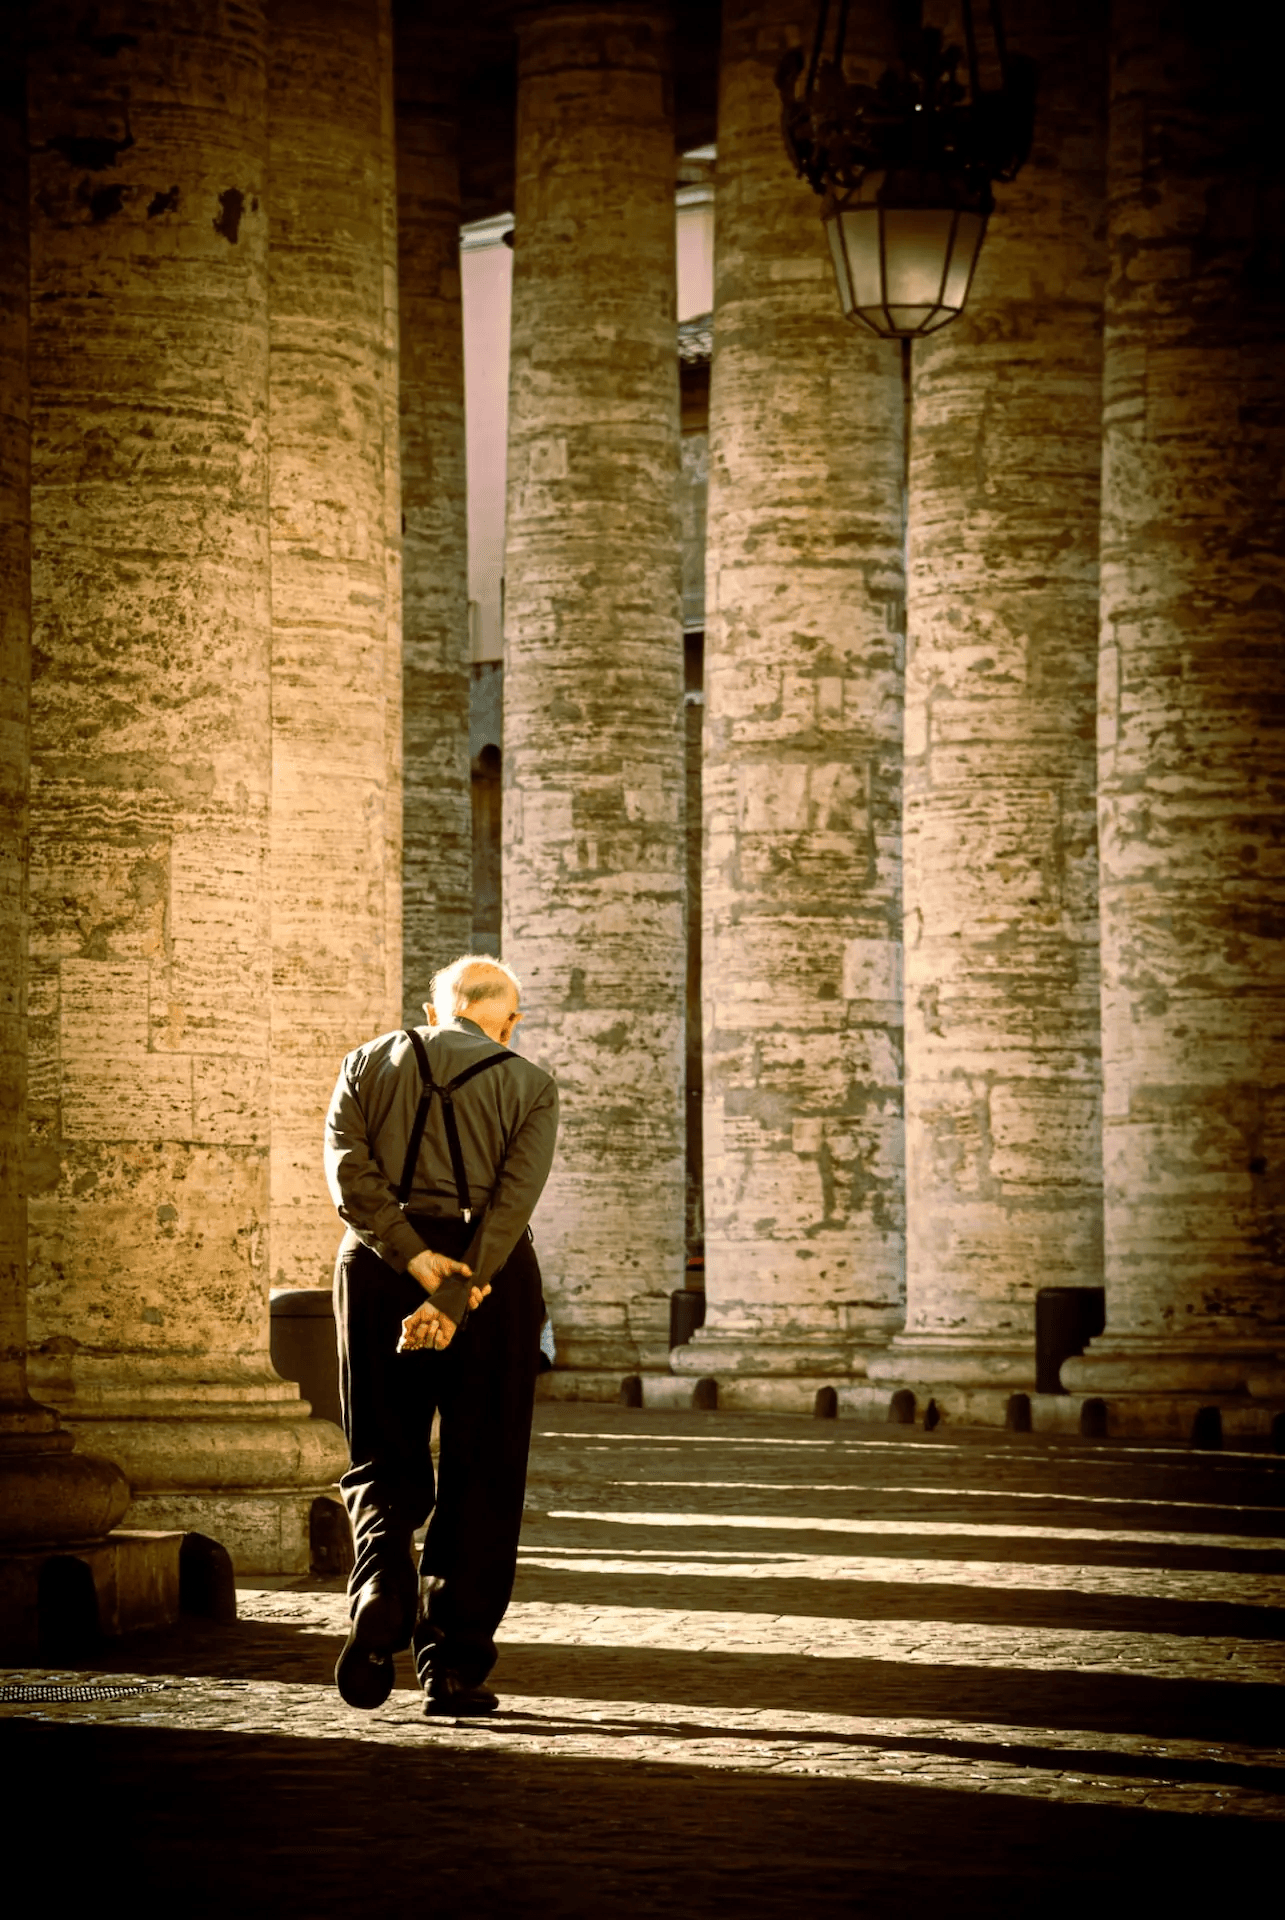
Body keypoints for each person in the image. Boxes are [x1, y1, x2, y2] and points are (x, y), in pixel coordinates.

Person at [323, 954, 558, 1717]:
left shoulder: (365, 1062)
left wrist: (412, 1258)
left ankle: (381, 1589)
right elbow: (513, 1202)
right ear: (507, 1020)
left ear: (433, 1012)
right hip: (488, 1281)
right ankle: (453, 1665)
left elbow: (347, 1175)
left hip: (379, 1271)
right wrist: (456, 1291)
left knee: (381, 1448)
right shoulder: (530, 1084)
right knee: (483, 1466)